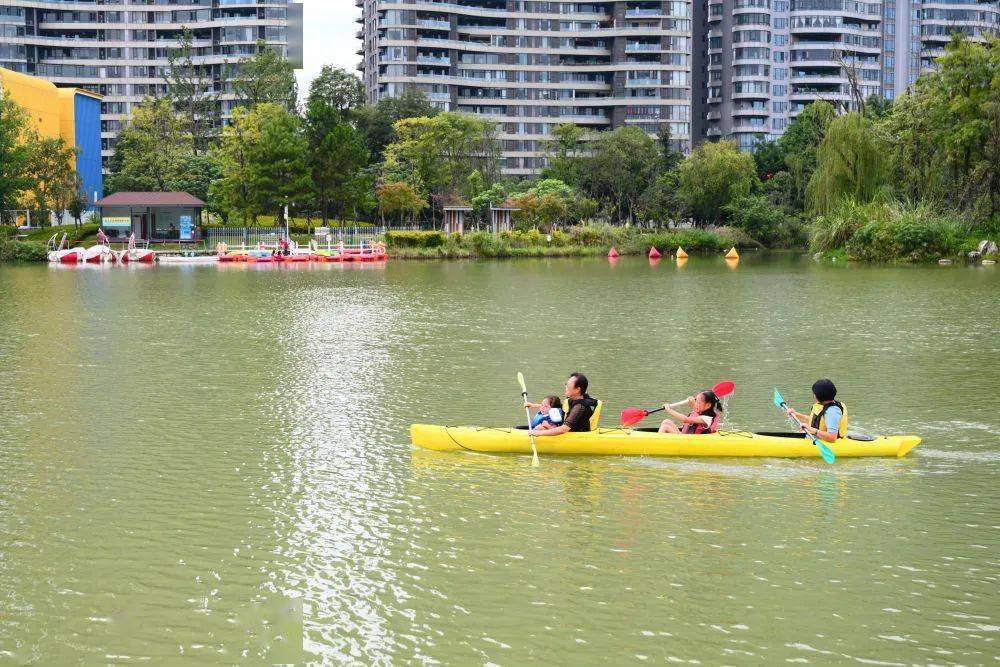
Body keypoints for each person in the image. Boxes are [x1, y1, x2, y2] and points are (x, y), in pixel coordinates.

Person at [531, 372, 597, 436]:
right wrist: (532, 405)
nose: (566, 387)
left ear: (577, 389)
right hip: (569, 432)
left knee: (539, 428)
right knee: (540, 427)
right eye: (566, 384)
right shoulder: (571, 400)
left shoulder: (579, 407)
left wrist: (537, 433)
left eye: (568, 385)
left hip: (576, 436)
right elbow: (554, 407)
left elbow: (564, 429)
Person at [787, 379, 848, 443]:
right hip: (815, 438)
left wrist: (812, 430)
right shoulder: (824, 405)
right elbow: (815, 421)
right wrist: (796, 414)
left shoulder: (832, 412)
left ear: (817, 396)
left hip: (830, 444)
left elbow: (832, 437)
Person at [658, 390, 723, 434]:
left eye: (698, 402)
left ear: (708, 405)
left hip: (689, 440)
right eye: (696, 400)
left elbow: (685, 419)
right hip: (685, 436)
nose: (696, 403)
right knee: (666, 421)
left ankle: (656, 443)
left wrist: (669, 410)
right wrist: (691, 401)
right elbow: (696, 408)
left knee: (665, 426)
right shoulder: (702, 411)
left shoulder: (706, 419)